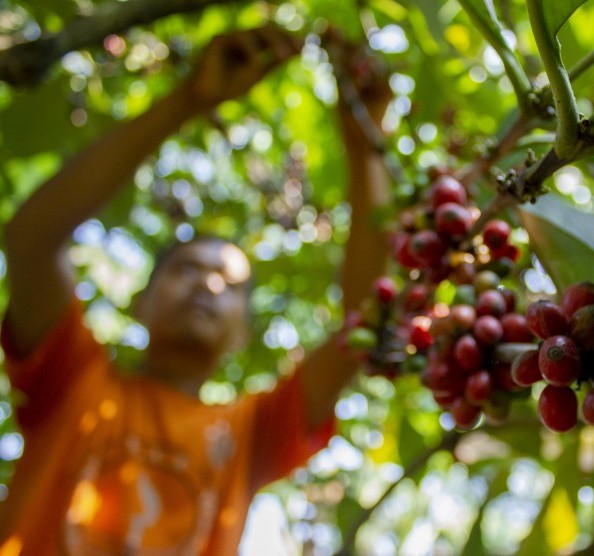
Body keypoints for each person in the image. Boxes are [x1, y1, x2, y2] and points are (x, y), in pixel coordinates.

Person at [0, 24, 390, 554]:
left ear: (241, 335)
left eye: (230, 285)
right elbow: (30, 241)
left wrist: (364, 140)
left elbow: (370, 318)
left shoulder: (251, 434)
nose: (208, 283)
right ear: (140, 302)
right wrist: (190, 99)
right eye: (186, 269)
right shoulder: (75, 382)